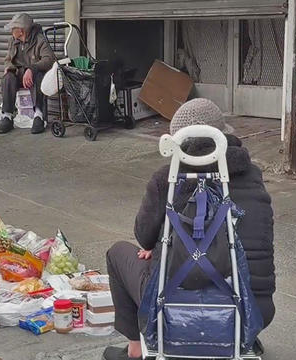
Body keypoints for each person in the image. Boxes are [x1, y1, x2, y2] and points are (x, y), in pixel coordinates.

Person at [102, 98, 276, 360]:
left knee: (118, 254)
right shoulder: (253, 175)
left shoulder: (168, 178)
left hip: (178, 307)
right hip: (255, 306)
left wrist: (160, 245)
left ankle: (135, 350)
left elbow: (143, 236)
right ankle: (236, 335)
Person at [0, 13, 54, 135]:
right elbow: (8, 59)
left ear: (21, 31)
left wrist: (32, 69)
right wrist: (9, 67)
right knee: (7, 78)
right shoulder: (13, 41)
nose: (11, 31)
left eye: (13, 29)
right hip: (19, 73)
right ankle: (7, 116)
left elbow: (49, 59)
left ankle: (39, 115)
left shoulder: (40, 40)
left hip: (33, 74)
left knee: (39, 76)